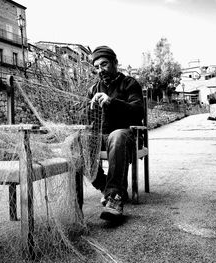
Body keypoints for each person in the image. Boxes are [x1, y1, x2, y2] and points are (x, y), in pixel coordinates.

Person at [88, 46, 144, 221]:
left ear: (115, 63)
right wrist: (89, 106)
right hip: (102, 137)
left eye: (104, 65)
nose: (100, 70)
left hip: (127, 136)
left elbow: (138, 111)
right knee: (74, 141)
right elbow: (85, 118)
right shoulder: (93, 89)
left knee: (116, 135)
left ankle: (114, 200)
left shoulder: (129, 83)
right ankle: (107, 187)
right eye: (96, 67)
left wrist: (111, 101)